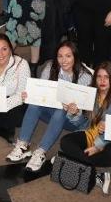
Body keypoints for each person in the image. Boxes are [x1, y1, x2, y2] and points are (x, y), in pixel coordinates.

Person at [6, 41, 93, 172]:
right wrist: (30, 95)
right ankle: (23, 144)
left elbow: (84, 115)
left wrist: (74, 111)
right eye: (60, 56)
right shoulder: (50, 67)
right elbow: (41, 94)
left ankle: (41, 152)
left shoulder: (85, 77)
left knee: (60, 110)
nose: (63, 60)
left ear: (75, 57)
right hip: (50, 113)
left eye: (68, 56)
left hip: (73, 120)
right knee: (35, 103)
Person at [57, 61, 111, 194]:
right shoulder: (90, 95)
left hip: (108, 141)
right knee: (65, 141)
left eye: (107, 77)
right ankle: (97, 175)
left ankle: (69, 161)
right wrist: (74, 113)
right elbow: (80, 123)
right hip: (88, 134)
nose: (102, 81)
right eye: (99, 76)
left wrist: (98, 145)